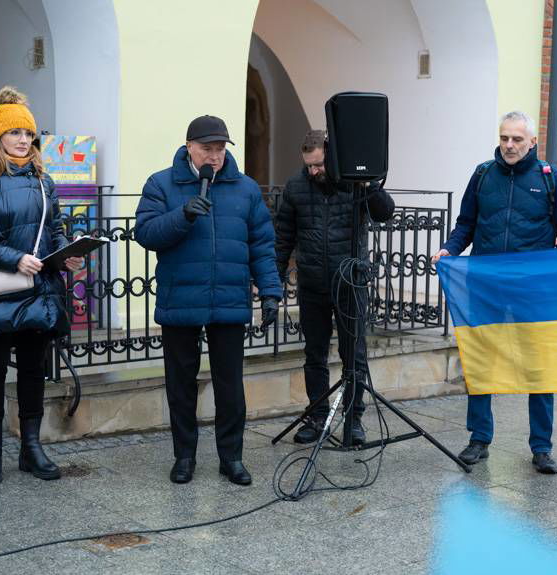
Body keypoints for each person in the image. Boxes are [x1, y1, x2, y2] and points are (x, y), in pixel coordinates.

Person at [134, 115, 282, 485]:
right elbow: (146, 233)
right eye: (207, 149)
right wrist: (182, 215)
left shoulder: (245, 189)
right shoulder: (161, 184)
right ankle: (184, 456)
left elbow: (262, 245)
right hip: (181, 299)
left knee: (230, 386)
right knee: (180, 385)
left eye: (219, 149)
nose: (214, 157)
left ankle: (231, 457)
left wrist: (270, 292)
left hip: (229, 300)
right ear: (189, 148)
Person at [434, 111, 557, 474]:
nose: (509, 145)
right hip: (486, 286)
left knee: (539, 366)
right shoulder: (483, 174)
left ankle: (542, 447)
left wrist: (553, 277)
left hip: (533, 290)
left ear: (532, 142)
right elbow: (466, 223)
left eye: (517, 139)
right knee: (481, 361)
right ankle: (479, 439)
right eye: (504, 138)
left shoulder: (550, 178)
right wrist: (450, 249)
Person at [0, 86, 82, 485]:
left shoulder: (45, 181)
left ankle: (31, 447)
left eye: (28, 134)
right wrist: (14, 258)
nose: (23, 141)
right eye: (15, 134)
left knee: (32, 370)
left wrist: (67, 253)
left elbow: (56, 230)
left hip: (38, 291)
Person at [274, 130, 395, 445]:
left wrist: (368, 182)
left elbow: (385, 212)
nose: (314, 172)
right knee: (314, 355)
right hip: (313, 286)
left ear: (332, 157)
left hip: (350, 284)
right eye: (309, 166)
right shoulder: (296, 187)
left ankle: (353, 420)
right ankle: (317, 417)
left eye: (319, 165)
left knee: (353, 355)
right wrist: (274, 281)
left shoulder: (355, 184)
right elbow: (283, 236)